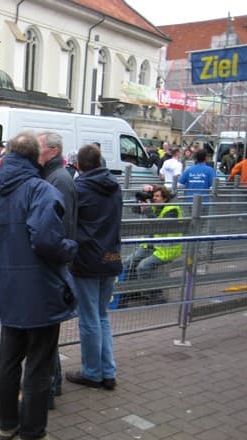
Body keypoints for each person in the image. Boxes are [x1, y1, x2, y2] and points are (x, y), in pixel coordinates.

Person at [0, 132, 77, 440]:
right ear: (37, 157)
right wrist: (69, 247)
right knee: (39, 363)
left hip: (8, 287)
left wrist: (8, 254)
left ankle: (7, 425)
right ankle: (32, 434)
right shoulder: (40, 189)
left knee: (9, 358)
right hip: (41, 287)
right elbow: (46, 239)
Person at [65, 144, 122, 391]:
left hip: (87, 259)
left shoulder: (80, 188)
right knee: (101, 316)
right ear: (100, 162)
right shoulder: (115, 186)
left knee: (89, 318)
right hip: (111, 256)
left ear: (79, 165)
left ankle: (93, 372)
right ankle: (107, 371)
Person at [38, 131, 78, 408]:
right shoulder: (54, 176)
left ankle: (50, 386)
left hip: (53, 263)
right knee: (45, 329)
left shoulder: (59, 180)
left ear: (52, 150)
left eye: (38, 148)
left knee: (45, 329)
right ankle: (54, 382)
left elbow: (58, 227)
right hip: (53, 260)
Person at [121, 184, 183, 306]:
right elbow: (134, 210)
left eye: (157, 196)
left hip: (167, 248)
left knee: (143, 267)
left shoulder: (172, 209)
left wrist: (148, 209)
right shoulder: (154, 206)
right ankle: (134, 292)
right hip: (151, 246)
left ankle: (156, 295)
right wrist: (141, 199)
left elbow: (160, 227)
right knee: (128, 263)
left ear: (165, 198)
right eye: (153, 195)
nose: (154, 198)